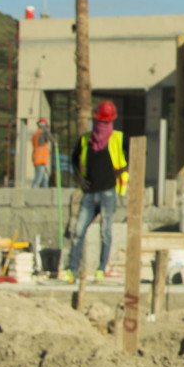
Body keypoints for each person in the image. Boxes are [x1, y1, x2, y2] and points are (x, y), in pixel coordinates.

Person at [64, 100, 126, 283]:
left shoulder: (117, 138)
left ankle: (101, 269)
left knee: (105, 233)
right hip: (89, 194)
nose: (102, 125)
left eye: (106, 122)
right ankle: (72, 270)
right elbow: (74, 159)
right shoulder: (86, 140)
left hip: (107, 192)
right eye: (100, 121)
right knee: (78, 231)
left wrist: (121, 170)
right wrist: (79, 178)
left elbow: (132, 156)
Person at [31, 118, 52, 189]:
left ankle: (45, 191)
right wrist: (55, 139)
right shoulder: (43, 132)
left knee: (45, 178)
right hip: (40, 159)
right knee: (39, 177)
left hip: (38, 159)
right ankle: (33, 190)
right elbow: (51, 138)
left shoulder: (36, 134)